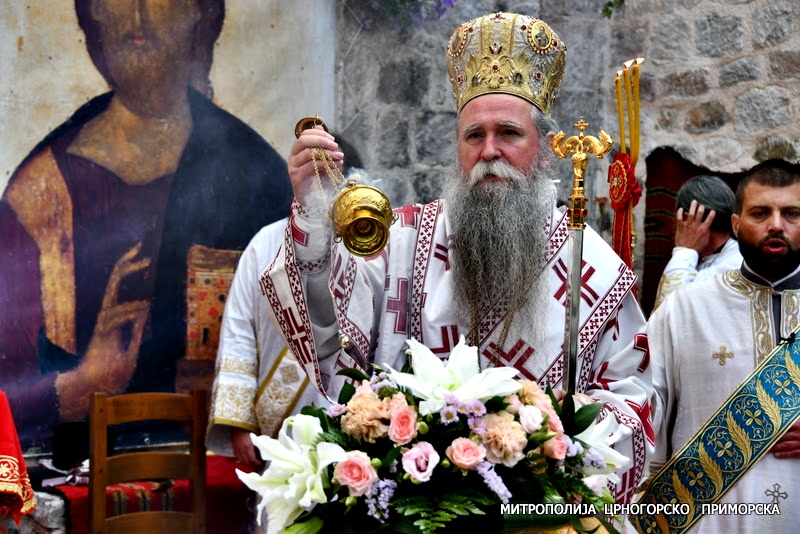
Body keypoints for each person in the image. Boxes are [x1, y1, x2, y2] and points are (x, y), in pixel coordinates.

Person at [261, 12, 653, 504]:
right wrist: (315, 213)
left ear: (546, 151)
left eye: (508, 133)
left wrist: (560, 438)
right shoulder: (401, 240)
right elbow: (333, 333)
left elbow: (633, 399)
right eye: (474, 135)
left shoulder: (589, 265)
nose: (489, 151)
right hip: (414, 508)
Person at [0, 0, 292, 452]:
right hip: (82, 470)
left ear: (199, 12)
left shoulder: (256, 173)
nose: (138, 14)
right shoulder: (41, 192)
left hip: (221, 467)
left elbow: (297, 343)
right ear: (93, 12)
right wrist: (80, 386)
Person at [646, 159, 800, 531]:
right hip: (708, 520)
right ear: (736, 224)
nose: (776, 225)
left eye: (792, 213)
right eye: (760, 213)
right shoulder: (686, 307)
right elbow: (642, 402)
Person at [206, 136, 365, 470]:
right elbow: (239, 334)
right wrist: (239, 424)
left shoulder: (369, 245)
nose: (319, 188)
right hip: (280, 431)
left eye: (329, 177)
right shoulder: (264, 244)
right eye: (310, 177)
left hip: (356, 421)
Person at [652, 175, 743, 309]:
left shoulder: (735, 264)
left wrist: (684, 250)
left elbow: (669, 313)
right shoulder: (714, 258)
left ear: (689, 218)